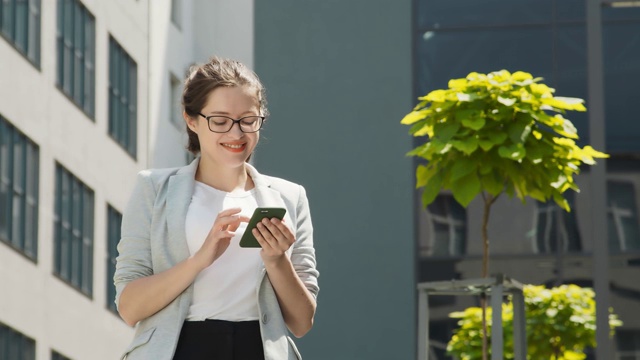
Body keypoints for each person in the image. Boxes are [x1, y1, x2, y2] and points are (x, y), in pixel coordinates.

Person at [113, 56, 319, 360]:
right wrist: (199, 260)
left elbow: (302, 322)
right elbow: (130, 307)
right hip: (179, 349)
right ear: (192, 120)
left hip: (258, 349)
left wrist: (277, 261)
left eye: (248, 120)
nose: (236, 134)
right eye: (220, 121)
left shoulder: (289, 197)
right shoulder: (154, 189)